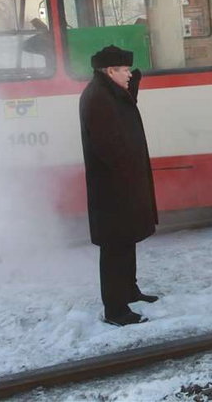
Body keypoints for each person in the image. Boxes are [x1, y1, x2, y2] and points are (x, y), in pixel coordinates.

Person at [79, 45, 159, 326]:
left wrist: (132, 86)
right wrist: (129, 177)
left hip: (122, 185)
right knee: (114, 247)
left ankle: (129, 290)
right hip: (113, 189)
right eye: (125, 70)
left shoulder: (106, 92)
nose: (129, 74)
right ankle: (115, 310)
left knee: (126, 240)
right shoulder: (98, 98)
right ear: (110, 70)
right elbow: (110, 146)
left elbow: (123, 112)